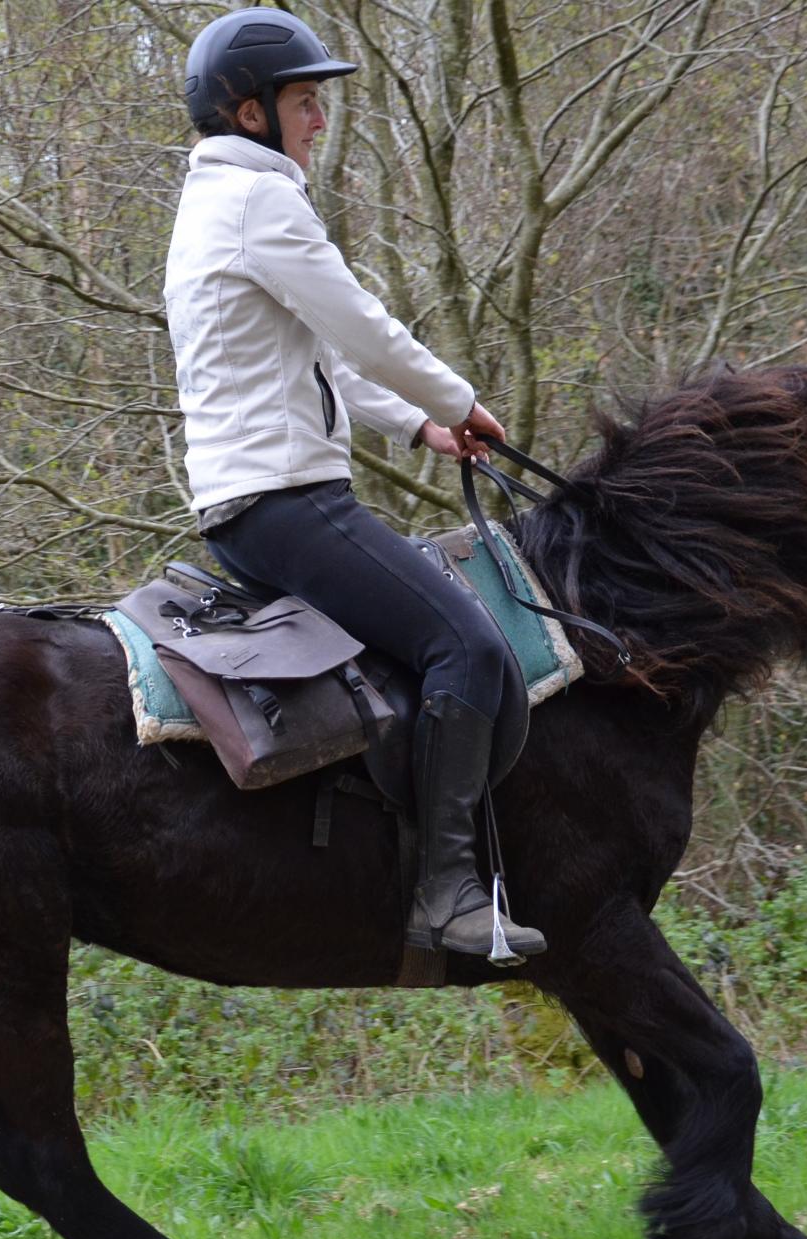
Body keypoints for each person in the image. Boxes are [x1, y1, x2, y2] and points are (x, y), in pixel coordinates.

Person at [164, 7, 543, 963]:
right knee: (470, 647)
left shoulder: (216, 202)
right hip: (287, 501)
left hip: (259, 500)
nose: (319, 121)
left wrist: (418, 424)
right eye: (303, 102)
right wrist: (461, 399)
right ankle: (447, 894)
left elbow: (328, 354)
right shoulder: (260, 203)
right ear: (249, 112)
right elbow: (367, 328)